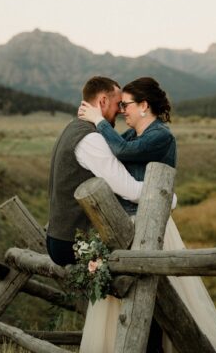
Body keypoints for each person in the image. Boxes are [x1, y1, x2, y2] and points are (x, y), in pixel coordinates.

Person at [77, 77, 216, 351]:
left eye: (126, 104)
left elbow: (123, 152)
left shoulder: (161, 135)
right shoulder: (132, 134)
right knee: (132, 296)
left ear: (144, 106)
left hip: (150, 226)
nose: (123, 110)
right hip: (128, 223)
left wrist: (98, 120)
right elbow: (113, 151)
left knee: (157, 297)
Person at [46, 76, 168, 266]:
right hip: (72, 243)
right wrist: (167, 195)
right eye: (118, 104)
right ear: (103, 101)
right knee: (144, 252)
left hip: (58, 237)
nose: (121, 111)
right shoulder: (91, 139)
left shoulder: (72, 128)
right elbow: (129, 190)